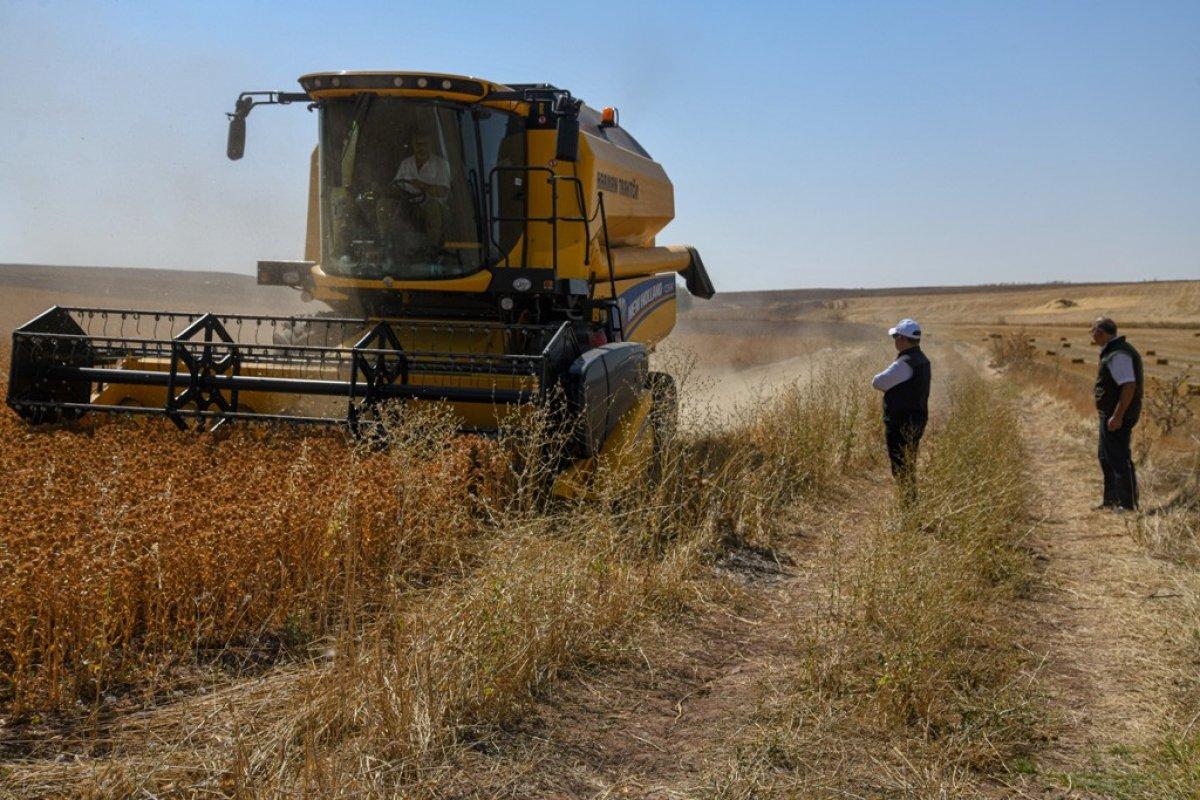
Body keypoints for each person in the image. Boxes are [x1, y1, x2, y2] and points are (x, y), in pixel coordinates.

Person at [871, 318, 931, 501]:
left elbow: (878, 382)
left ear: (903, 339)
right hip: (917, 419)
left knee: (900, 465)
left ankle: (908, 505)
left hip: (900, 422)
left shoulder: (905, 363)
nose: (895, 340)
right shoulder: (923, 360)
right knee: (908, 461)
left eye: (896, 337)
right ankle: (909, 502)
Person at [1090, 317, 1142, 511]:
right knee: (1106, 456)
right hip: (1110, 413)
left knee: (1118, 457)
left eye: (1092, 331)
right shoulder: (1113, 350)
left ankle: (1127, 504)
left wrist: (1118, 416)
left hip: (1118, 415)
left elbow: (1129, 386)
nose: (1092, 336)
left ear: (1100, 332)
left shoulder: (1118, 354)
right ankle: (1111, 500)